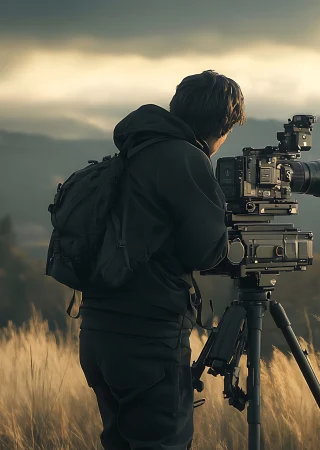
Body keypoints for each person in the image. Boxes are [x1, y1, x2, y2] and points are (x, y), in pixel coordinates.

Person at [78, 70, 246, 449]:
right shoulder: (186, 158)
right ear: (222, 125)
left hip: (98, 334)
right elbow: (206, 252)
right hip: (148, 341)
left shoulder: (136, 149)